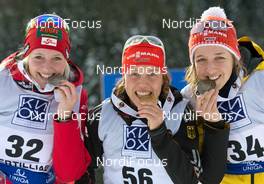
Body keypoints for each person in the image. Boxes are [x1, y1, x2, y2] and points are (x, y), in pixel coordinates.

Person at [84, 35, 230, 184]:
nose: (143, 84)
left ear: (163, 77)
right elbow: (81, 170)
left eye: (152, 73)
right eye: (134, 73)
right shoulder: (103, 115)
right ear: (124, 76)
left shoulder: (180, 112)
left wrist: (159, 132)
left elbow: (200, 181)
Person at [0, 14, 91, 184]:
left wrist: (65, 115)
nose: (47, 68)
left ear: (66, 60)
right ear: (27, 55)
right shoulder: (3, 80)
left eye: (56, 58)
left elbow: (69, 174)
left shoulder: (75, 95)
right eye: (38, 57)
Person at [182, 6, 264, 184]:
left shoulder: (259, 82)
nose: (210, 69)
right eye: (201, 59)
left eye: (219, 57)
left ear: (235, 58)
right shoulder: (188, 99)